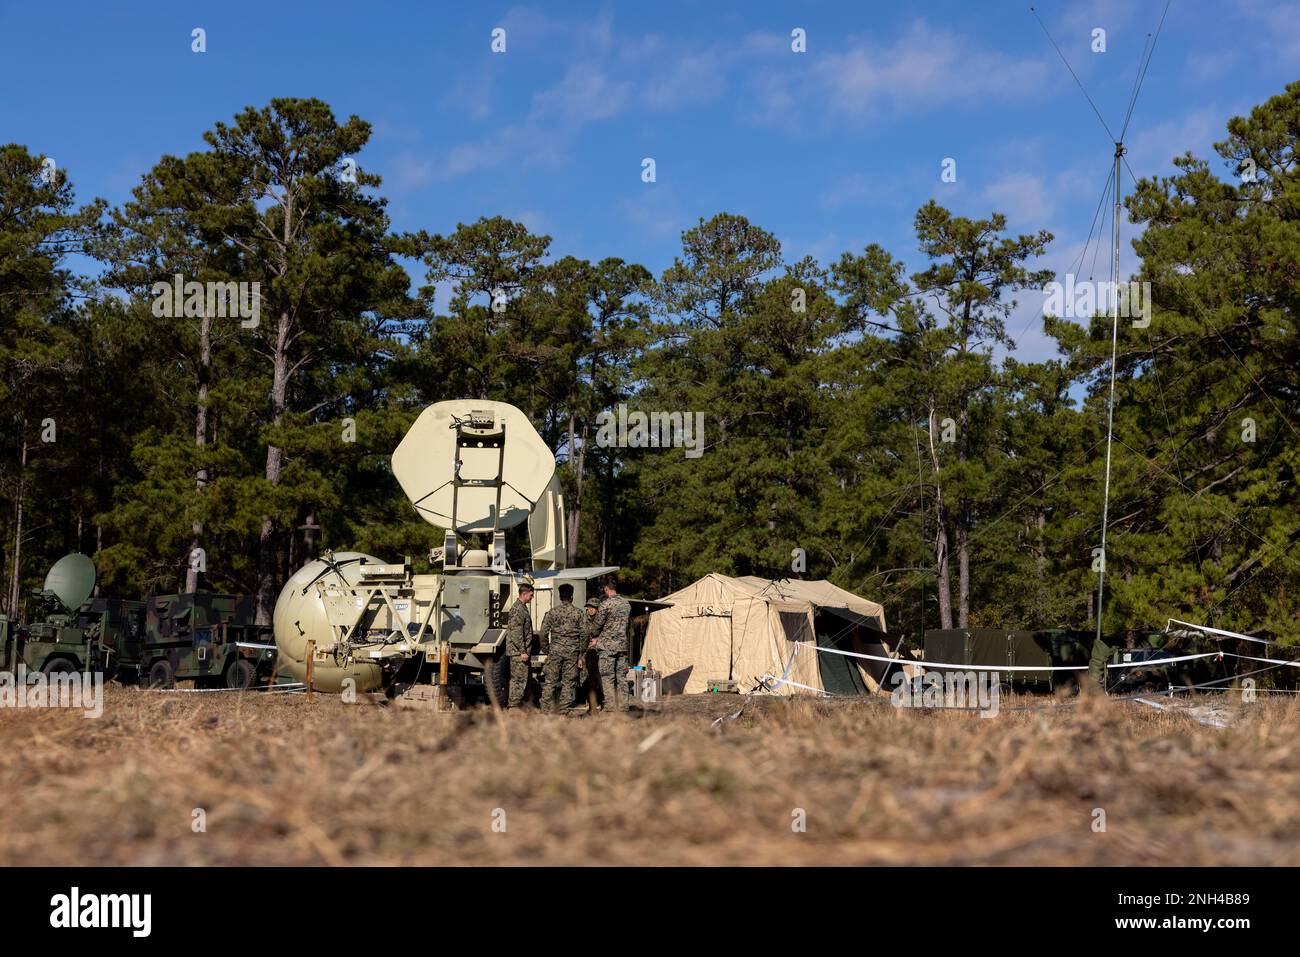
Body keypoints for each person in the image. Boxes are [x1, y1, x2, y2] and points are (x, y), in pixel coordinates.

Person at [538, 583, 585, 713]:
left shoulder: (552, 613)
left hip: (555, 651)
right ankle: (564, 710)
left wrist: (547, 649)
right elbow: (585, 633)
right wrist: (581, 651)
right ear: (572, 597)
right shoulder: (578, 613)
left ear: (559, 596)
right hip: (572, 652)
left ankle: (545, 710)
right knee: (568, 682)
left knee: (550, 681)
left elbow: (543, 633)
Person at [589, 575, 631, 713]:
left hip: (607, 647)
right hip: (622, 646)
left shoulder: (605, 605)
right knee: (621, 678)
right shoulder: (626, 604)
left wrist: (595, 635)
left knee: (607, 678)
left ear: (606, 589)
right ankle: (624, 708)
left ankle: (610, 709)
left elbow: (596, 627)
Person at [505, 582, 535, 708]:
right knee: (518, 680)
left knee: (523, 680)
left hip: (521, 652)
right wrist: (523, 651)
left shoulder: (522, 608)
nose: (532, 597)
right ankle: (513, 707)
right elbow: (516, 633)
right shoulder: (517, 609)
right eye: (531, 595)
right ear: (524, 594)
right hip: (518, 653)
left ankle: (519, 706)